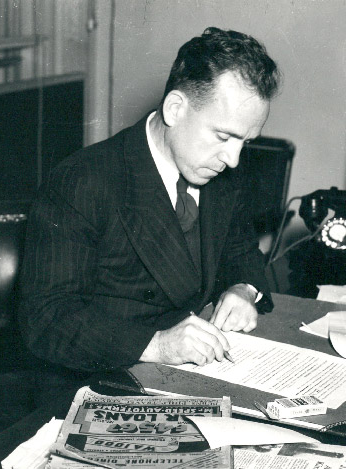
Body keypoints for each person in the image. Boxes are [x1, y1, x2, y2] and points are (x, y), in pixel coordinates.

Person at [17, 27, 280, 395]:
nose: (233, 160)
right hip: (98, 381)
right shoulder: (83, 181)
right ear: (175, 109)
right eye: (223, 137)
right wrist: (158, 344)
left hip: (189, 377)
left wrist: (242, 289)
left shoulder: (217, 173)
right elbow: (46, 321)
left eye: (245, 142)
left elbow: (242, 254)